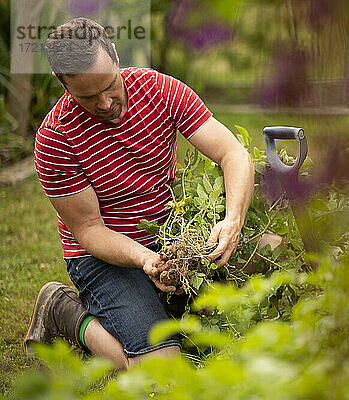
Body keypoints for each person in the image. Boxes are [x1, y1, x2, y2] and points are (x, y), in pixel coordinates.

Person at [23, 17, 255, 370]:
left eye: (109, 86)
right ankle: (64, 312)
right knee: (165, 370)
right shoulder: (56, 137)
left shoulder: (158, 89)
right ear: (62, 82)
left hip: (169, 237)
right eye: (88, 96)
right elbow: (88, 229)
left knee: (268, 248)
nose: (104, 103)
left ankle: (157, 311)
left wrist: (232, 220)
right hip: (103, 257)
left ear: (115, 56)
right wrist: (144, 259)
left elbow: (232, 154)